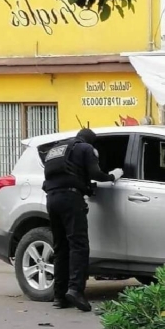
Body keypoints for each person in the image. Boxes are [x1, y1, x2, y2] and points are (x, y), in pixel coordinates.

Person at [42, 128, 123, 312]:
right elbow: (95, 173)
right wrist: (113, 175)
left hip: (51, 199)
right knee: (78, 245)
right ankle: (75, 290)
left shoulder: (57, 149)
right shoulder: (86, 148)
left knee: (61, 247)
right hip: (71, 199)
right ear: (91, 141)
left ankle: (59, 296)